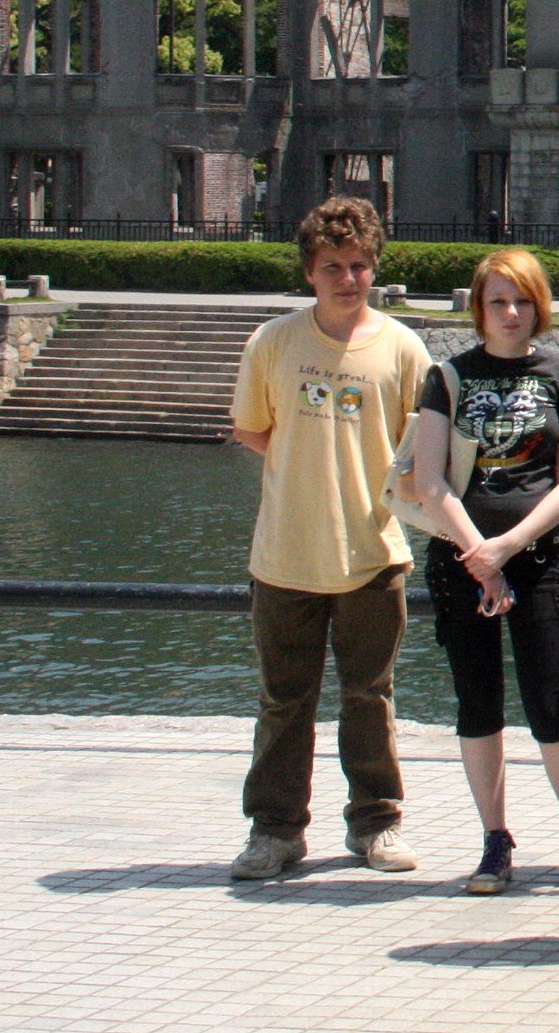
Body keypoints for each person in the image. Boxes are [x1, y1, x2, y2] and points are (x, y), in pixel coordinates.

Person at [225, 195, 433, 882]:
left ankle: (376, 822)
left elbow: (422, 445)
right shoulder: (274, 342)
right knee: (284, 700)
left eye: (360, 265)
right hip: (286, 553)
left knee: (370, 697)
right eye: (333, 266)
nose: (348, 278)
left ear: (376, 269)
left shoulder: (402, 347)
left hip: (373, 554)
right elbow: (253, 429)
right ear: (310, 272)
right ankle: (275, 829)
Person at [410, 248, 559, 895]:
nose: (510, 312)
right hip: (460, 562)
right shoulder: (446, 377)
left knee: (552, 703)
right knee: (477, 703)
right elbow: (428, 480)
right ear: (479, 306)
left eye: (523, 300)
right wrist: (479, 554)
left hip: (535, 561)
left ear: (540, 307)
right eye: (499, 300)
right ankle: (494, 839)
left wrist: (506, 547)